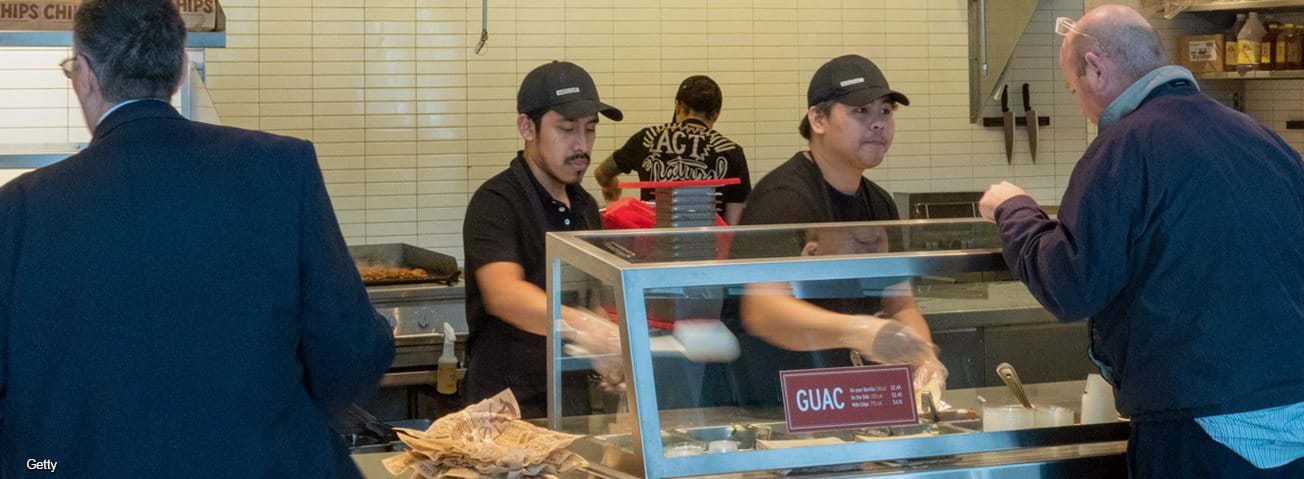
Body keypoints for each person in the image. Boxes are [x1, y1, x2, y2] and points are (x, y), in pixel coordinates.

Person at [0, 0, 395, 476]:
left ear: (83, 73)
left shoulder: (19, 210)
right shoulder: (280, 169)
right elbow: (351, 349)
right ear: (182, 68)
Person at [979, 5, 1304, 478]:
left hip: (1200, 426)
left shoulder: (1124, 147)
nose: (1083, 108)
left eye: (1075, 91)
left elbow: (1071, 283)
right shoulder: (1264, 140)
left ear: (1095, 66)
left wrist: (1013, 211)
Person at [717, 55, 944, 407]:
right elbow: (761, 311)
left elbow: (899, 304)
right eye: (860, 112)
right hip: (772, 403)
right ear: (818, 119)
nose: (878, 125)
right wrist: (861, 331)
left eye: (885, 112)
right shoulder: (783, 199)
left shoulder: (880, 205)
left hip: (842, 398)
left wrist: (924, 358)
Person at [462, 61, 626, 419]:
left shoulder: (585, 207)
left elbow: (589, 301)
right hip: (502, 413)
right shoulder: (497, 201)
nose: (582, 145)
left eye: (590, 130)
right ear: (527, 127)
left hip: (568, 411)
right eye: (566, 129)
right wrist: (586, 328)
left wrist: (610, 354)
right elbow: (505, 295)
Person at [593, 75, 751, 224]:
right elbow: (734, 224)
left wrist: (610, 184)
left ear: (678, 106)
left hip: (655, 246)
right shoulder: (731, 151)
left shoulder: (648, 138)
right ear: (716, 114)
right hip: (708, 248)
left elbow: (602, 173)